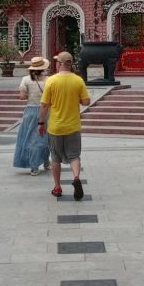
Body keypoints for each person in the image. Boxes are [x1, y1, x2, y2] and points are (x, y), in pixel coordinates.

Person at [38, 50, 90, 200]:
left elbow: (44, 105)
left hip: (55, 127)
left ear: (60, 64)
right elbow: (86, 101)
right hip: (73, 126)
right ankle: (76, 178)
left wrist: (41, 122)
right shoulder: (78, 80)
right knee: (74, 156)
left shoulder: (51, 81)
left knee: (55, 158)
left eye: (57, 61)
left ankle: (57, 187)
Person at [12, 56, 51, 175]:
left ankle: (34, 166)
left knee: (31, 139)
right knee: (45, 138)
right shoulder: (48, 80)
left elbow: (22, 97)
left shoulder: (25, 79)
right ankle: (45, 161)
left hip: (30, 111)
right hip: (46, 112)